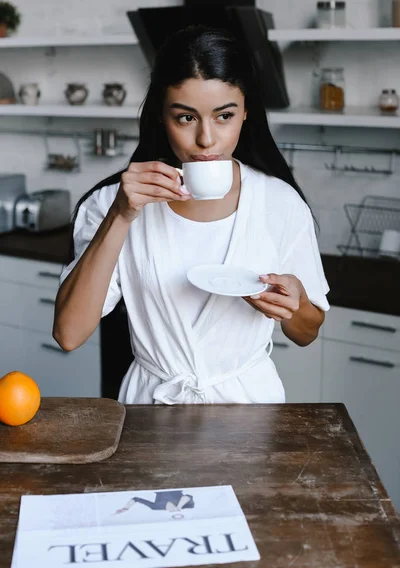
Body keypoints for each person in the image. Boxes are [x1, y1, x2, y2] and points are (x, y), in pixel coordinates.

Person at [53, 25, 329, 405]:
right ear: (161, 116)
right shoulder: (111, 204)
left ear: (246, 111)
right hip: (150, 413)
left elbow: (307, 332)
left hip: (252, 411)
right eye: (186, 118)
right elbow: (68, 334)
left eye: (223, 116)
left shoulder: (279, 203)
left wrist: (293, 305)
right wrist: (120, 215)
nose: (206, 140)